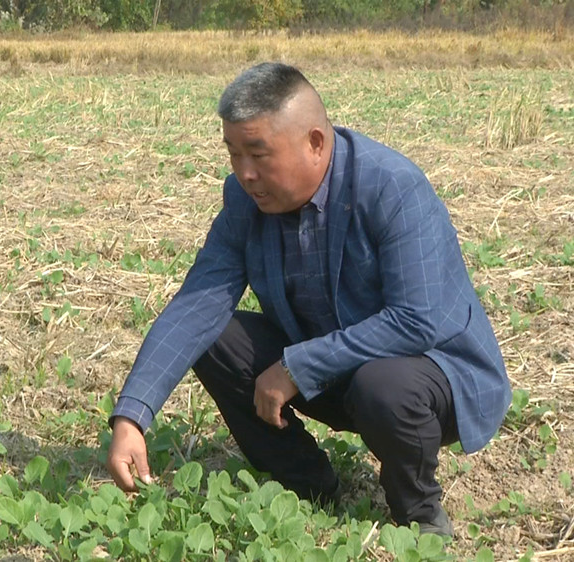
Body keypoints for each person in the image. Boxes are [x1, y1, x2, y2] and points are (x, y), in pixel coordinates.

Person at [106, 62, 510, 537]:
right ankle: (307, 485)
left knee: (384, 385)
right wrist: (132, 415)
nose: (245, 173)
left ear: (315, 142)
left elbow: (417, 321)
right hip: (331, 370)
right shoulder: (245, 200)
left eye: (259, 154)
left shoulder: (392, 187)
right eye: (234, 154)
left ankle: (418, 512)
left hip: (430, 377)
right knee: (215, 337)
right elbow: (198, 304)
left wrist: (298, 367)